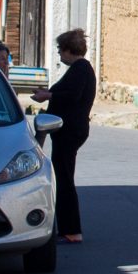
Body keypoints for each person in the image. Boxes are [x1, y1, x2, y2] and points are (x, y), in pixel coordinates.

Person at [45, 27, 97, 245]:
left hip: (70, 131)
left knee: (64, 180)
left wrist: (49, 95)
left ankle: (72, 230)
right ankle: (67, 228)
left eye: (60, 50)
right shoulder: (79, 69)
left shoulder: (81, 68)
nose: (58, 54)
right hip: (67, 131)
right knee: (63, 178)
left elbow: (71, 96)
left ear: (68, 50)